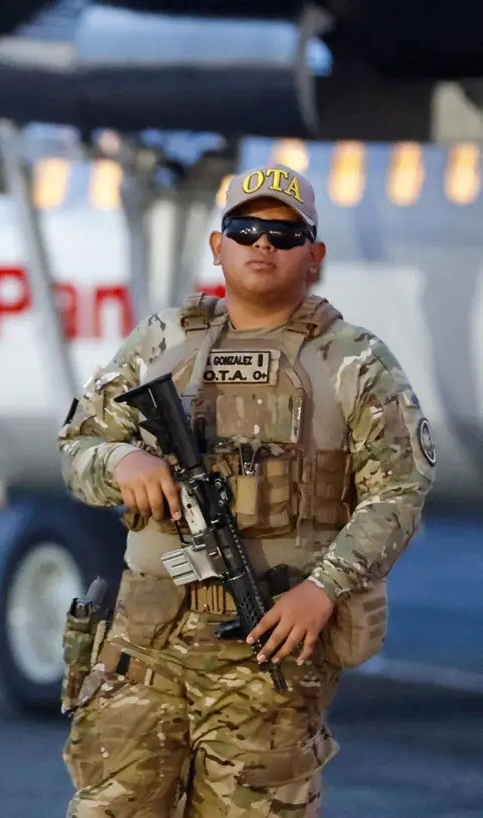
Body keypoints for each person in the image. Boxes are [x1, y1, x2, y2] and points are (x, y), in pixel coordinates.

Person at [57, 163, 435, 816]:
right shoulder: (165, 341)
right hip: (142, 657)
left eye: (285, 236)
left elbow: (399, 491)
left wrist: (325, 590)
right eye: (247, 228)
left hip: (267, 660)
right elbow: (77, 447)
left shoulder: (353, 362)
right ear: (218, 246)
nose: (264, 244)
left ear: (314, 255)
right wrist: (122, 463)